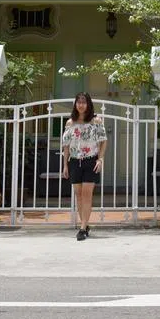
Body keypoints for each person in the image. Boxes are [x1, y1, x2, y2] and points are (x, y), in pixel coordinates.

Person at [60, 92, 107, 241]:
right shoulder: (70, 123)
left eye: (84, 102)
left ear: (88, 104)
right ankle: (85, 225)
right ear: (75, 104)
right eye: (78, 102)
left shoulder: (96, 121)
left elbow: (103, 141)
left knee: (87, 195)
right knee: (79, 195)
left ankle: (82, 229)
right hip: (74, 162)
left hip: (90, 161)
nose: (81, 105)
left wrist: (100, 159)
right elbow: (66, 146)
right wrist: (65, 165)